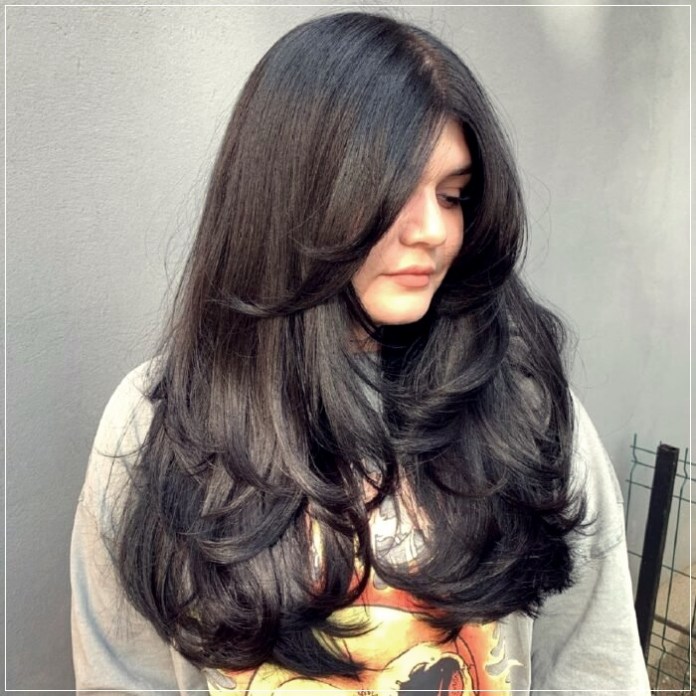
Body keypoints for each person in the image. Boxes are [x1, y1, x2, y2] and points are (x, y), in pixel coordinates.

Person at [70, 11, 650, 695]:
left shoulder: (522, 411)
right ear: (292, 194)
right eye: (391, 192)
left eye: (453, 195)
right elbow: (125, 676)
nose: (433, 230)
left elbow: (592, 668)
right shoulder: (159, 424)